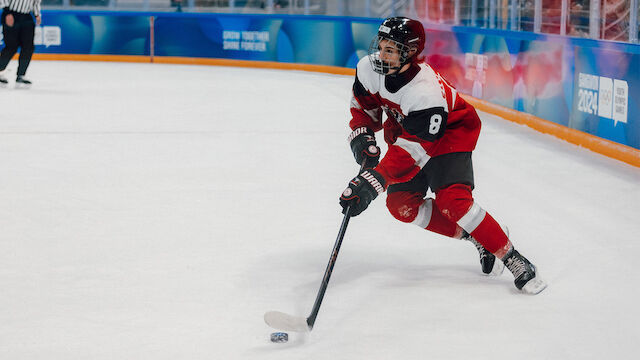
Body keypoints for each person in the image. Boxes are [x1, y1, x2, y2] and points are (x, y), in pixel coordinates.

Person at [339, 17, 546, 294]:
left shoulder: (425, 92)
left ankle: (512, 257)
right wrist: (362, 136)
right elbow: (363, 108)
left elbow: (414, 151)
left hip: (450, 134)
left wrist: (373, 181)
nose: (381, 54)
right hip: (409, 131)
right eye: (381, 45)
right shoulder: (368, 69)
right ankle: (477, 238)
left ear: (409, 53)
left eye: (391, 49)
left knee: (454, 203)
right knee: (401, 205)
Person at [0, 0, 41, 86]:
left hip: (26, 16)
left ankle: (21, 75)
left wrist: (37, 14)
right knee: (11, 47)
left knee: (28, 47)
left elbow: (36, 2)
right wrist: (7, 13)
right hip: (11, 13)